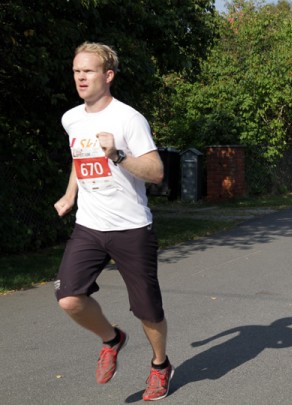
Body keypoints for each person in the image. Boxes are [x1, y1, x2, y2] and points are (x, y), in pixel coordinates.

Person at [53, 42, 173, 401]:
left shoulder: (129, 119)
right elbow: (79, 157)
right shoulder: (71, 118)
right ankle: (112, 338)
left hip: (131, 227)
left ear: (108, 76)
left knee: (147, 310)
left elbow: (156, 172)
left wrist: (117, 154)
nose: (80, 78)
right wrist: (71, 194)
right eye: (76, 71)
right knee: (69, 297)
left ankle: (160, 365)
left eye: (87, 71)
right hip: (90, 225)